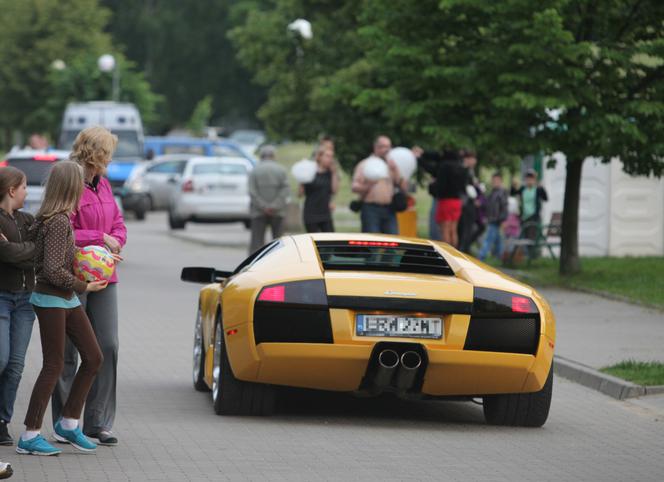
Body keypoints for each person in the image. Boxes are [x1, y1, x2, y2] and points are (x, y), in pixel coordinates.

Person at [18, 161, 108, 456]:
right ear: (71, 187)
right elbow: (53, 270)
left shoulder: (56, 219)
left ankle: (69, 423)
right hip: (51, 299)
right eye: (80, 183)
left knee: (93, 357)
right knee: (53, 365)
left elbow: (53, 256)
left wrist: (91, 257)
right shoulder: (57, 221)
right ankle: (30, 435)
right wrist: (86, 286)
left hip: (64, 299)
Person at [51, 126, 127, 447]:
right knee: (68, 351)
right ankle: (65, 422)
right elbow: (57, 227)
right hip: (72, 276)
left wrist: (116, 242)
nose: (111, 157)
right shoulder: (70, 181)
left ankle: (98, 422)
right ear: (96, 152)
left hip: (104, 278)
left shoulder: (104, 184)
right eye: (108, 151)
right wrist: (99, 238)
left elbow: (118, 225)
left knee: (107, 345)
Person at [0, 167, 36, 447]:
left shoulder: (28, 220)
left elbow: (40, 251)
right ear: (12, 190)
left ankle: (3, 422)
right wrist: (22, 251)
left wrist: (15, 250)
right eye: (24, 187)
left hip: (26, 301)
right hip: (2, 297)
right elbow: (6, 253)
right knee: (1, 359)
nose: (27, 192)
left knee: (16, 365)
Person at [351, 135, 406, 234]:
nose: (387, 150)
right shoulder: (365, 164)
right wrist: (369, 185)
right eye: (383, 146)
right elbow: (354, 187)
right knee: (372, 243)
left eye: (389, 146)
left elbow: (403, 187)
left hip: (389, 209)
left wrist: (395, 170)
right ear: (376, 147)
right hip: (371, 208)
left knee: (393, 243)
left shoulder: (392, 165)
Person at [248, 145, 290, 253]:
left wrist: (263, 206)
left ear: (261, 156)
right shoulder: (281, 169)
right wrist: (274, 206)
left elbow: (252, 192)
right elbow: (285, 189)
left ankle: (255, 266)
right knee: (279, 242)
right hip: (278, 211)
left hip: (258, 211)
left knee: (256, 242)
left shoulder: (254, 170)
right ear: (273, 156)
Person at [299, 145, 339, 232]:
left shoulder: (330, 173)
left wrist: (334, 173)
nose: (330, 159)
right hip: (311, 213)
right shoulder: (310, 171)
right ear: (319, 157)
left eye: (332, 157)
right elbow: (300, 194)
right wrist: (302, 177)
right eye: (327, 156)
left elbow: (334, 190)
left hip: (325, 213)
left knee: (330, 240)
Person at [511, 169, 549, 256]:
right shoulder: (523, 189)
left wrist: (542, 187)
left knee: (532, 238)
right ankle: (529, 256)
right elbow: (513, 193)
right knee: (525, 237)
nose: (529, 180)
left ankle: (532, 256)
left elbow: (545, 198)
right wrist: (513, 185)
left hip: (534, 218)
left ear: (534, 180)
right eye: (528, 178)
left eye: (531, 178)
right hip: (524, 217)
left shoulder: (537, 189)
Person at [479, 173, 508, 261]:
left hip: (497, 219)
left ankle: (481, 257)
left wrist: (503, 219)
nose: (495, 182)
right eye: (493, 180)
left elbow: (504, 206)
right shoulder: (492, 192)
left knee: (488, 239)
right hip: (492, 219)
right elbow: (488, 205)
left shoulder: (502, 192)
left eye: (497, 180)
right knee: (498, 240)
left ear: (501, 181)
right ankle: (500, 257)